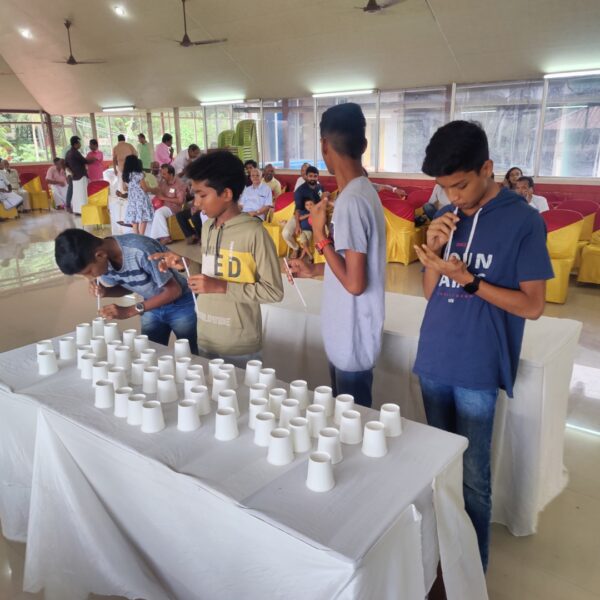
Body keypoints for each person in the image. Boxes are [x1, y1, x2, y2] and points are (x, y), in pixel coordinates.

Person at [412, 120, 553, 571]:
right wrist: (434, 251)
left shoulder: (523, 221)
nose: (452, 196)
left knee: (473, 479)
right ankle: (440, 561)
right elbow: (431, 293)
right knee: (440, 467)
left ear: (487, 168)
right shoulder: (448, 217)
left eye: (460, 185)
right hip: (434, 355)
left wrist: (470, 281)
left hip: (477, 364)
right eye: (444, 187)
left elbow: (533, 305)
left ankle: (471, 575)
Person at [288, 103, 386, 408]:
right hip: (349, 335)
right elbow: (356, 267)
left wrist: (320, 236)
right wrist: (315, 270)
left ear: (324, 146)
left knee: (350, 423)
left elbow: (355, 283)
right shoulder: (362, 192)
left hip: (351, 339)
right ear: (364, 145)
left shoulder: (352, 202)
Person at [149, 150, 284, 368]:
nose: (196, 203)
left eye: (202, 195)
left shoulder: (254, 233)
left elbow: (273, 291)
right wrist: (185, 265)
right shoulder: (207, 228)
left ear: (227, 194)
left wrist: (222, 286)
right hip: (205, 334)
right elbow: (209, 273)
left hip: (239, 343)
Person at [54, 228, 198, 353]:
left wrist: (129, 311)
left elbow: (174, 290)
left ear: (100, 255)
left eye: (89, 272)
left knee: (190, 353)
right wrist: (106, 292)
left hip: (182, 305)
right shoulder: (103, 262)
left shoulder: (140, 250)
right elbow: (129, 286)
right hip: (151, 305)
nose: (89, 277)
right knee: (151, 352)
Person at [283, 165, 323, 258]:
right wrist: (297, 224)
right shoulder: (300, 191)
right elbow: (298, 209)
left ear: (318, 177)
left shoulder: (320, 187)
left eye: (315, 176)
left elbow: (322, 199)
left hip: (315, 216)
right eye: (310, 176)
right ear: (306, 176)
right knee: (286, 233)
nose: (313, 178)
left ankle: (320, 255)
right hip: (300, 216)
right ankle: (296, 248)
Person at [148, 164, 187, 244]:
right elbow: (158, 191)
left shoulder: (179, 184)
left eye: (164, 174)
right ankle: (153, 237)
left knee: (159, 212)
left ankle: (166, 237)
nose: (162, 176)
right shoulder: (163, 182)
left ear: (171, 174)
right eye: (161, 173)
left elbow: (180, 201)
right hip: (163, 205)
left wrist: (164, 198)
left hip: (174, 207)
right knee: (148, 210)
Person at [122, 155, 154, 235]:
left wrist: (132, 188)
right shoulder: (139, 174)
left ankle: (136, 236)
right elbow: (145, 188)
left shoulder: (125, 175)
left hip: (132, 199)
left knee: (134, 218)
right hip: (141, 199)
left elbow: (124, 188)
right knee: (143, 218)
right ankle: (142, 236)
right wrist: (153, 189)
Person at [65, 135, 95, 214]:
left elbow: (66, 164)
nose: (80, 144)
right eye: (79, 143)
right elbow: (84, 161)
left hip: (74, 176)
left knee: (75, 193)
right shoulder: (75, 152)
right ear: (75, 144)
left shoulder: (68, 153)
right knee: (82, 193)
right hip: (80, 175)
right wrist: (92, 159)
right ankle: (83, 209)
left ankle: (76, 209)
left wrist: (70, 172)